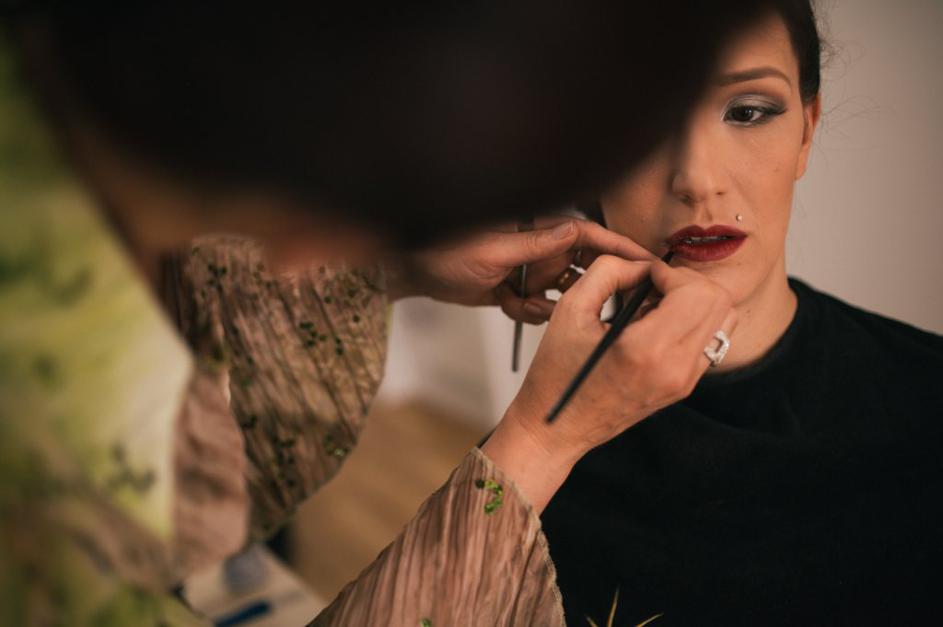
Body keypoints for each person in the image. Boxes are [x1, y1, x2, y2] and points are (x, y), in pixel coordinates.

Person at [0, 2, 776, 625]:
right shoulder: (39, 458)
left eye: (748, 110)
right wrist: (542, 439)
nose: (695, 180)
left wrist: (396, 264)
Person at [536, 2, 943, 625]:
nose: (698, 181)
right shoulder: (528, 467)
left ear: (806, 132)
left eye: (748, 112)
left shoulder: (928, 404)